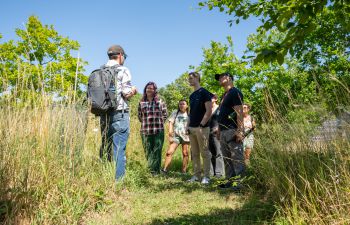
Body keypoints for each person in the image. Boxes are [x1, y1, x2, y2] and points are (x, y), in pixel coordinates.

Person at [99, 45, 137, 180]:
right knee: (119, 148)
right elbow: (126, 94)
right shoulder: (123, 69)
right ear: (120, 55)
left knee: (105, 146)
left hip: (103, 114)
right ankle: (118, 182)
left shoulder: (101, 70)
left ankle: (104, 177)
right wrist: (133, 90)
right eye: (124, 57)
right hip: (119, 113)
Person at [215, 72, 245, 190]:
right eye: (219, 78)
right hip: (223, 131)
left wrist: (240, 131)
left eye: (222, 76)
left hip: (232, 130)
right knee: (227, 159)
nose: (220, 79)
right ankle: (229, 182)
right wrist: (218, 129)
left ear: (230, 78)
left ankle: (240, 184)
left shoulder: (235, 92)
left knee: (237, 158)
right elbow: (221, 114)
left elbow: (239, 112)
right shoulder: (224, 95)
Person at [187, 72, 212, 184]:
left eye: (191, 78)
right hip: (191, 128)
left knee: (204, 153)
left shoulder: (205, 92)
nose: (189, 80)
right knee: (195, 153)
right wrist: (187, 126)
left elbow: (209, 111)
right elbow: (191, 113)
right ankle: (196, 176)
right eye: (189, 79)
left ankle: (206, 177)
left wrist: (201, 125)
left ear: (197, 78)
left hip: (202, 128)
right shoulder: (192, 95)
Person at [138, 82, 168, 175]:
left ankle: (156, 171)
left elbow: (165, 115)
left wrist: (158, 122)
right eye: (148, 88)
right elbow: (139, 116)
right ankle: (151, 170)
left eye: (151, 88)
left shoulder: (160, 101)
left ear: (155, 90)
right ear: (145, 89)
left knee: (157, 151)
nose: (149, 90)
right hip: (145, 131)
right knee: (148, 151)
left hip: (158, 130)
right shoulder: (141, 102)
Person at [162, 99, 190, 173]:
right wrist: (170, 131)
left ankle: (184, 171)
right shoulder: (175, 112)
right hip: (176, 135)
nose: (181, 105)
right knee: (169, 152)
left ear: (187, 106)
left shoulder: (189, 113)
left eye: (183, 104)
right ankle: (165, 170)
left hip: (186, 136)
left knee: (185, 153)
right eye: (180, 104)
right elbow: (171, 122)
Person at [208, 94, 224, 178]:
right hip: (207, 132)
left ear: (215, 99)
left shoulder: (219, 108)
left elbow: (222, 119)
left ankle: (219, 173)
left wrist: (218, 128)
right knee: (209, 153)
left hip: (217, 133)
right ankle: (211, 172)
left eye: (211, 97)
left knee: (218, 153)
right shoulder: (207, 109)